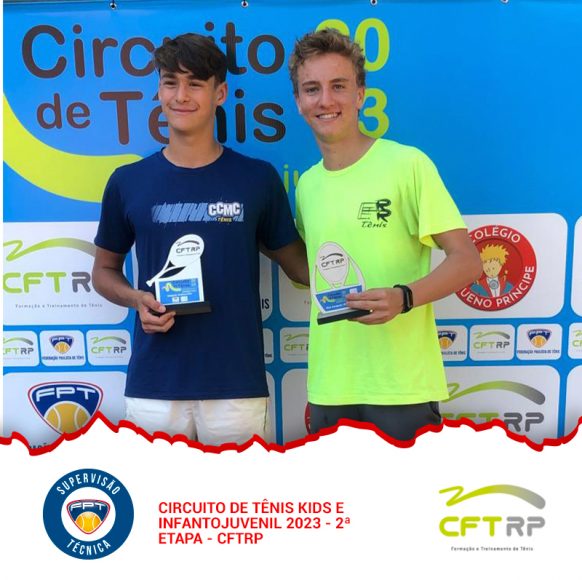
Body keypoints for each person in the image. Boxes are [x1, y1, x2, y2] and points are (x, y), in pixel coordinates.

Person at [93, 33, 307, 446]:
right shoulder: (128, 181)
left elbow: (300, 266)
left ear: (219, 93)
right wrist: (136, 299)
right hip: (154, 385)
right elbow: (103, 271)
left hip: (235, 386)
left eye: (195, 84)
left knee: (237, 491)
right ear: (159, 91)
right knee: (152, 490)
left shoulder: (256, 179)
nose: (181, 96)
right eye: (170, 82)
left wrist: (358, 271)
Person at [289, 28, 482, 441]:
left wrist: (404, 297)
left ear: (360, 94)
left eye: (339, 86)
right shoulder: (307, 185)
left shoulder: (407, 164)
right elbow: (314, 270)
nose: (325, 100)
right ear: (299, 101)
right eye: (312, 89)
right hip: (329, 388)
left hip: (401, 389)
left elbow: (467, 261)